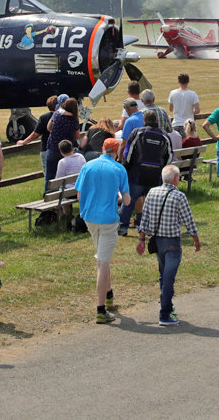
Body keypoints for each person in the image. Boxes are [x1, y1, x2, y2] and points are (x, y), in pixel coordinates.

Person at [136, 165, 201, 326]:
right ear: (176, 179)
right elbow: (189, 221)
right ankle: (164, 314)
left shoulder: (152, 192)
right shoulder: (179, 196)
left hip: (156, 240)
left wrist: (141, 239)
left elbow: (145, 218)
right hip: (172, 242)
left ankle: (167, 305)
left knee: (163, 274)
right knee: (168, 278)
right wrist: (196, 240)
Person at [75, 138, 130, 324]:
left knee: (101, 257)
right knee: (103, 263)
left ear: (103, 149)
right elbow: (128, 200)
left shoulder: (88, 166)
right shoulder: (119, 169)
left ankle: (108, 294)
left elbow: (79, 193)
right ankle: (101, 309)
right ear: (116, 152)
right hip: (108, 219)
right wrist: (119, 197)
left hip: (89, 217)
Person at [120, 111, 173, 235]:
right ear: (156, 120)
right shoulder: (164, 136)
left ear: (144, 120)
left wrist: (125, 169)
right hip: (156, 177)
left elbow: (127, 154)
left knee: (128, 202)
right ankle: (151, 229)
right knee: (153, 204)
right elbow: (169, 157)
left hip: (137, 175)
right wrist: (162, 172)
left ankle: (123, 228)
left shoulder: (137, 133)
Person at [16, 96, 57, 176]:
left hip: (46, 149)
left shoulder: (44, 118)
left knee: (48, 175)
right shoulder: (63, 116)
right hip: (59, 149)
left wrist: (24, 142)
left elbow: (35, 134)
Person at [45, 98, 81, 189]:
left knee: (49, 176)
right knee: (66, 175)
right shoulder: (74, 120)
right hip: (67, 151)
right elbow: (77, 136)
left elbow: (49, 128)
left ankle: (48, 194)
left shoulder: (56, 114)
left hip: (53, 148)